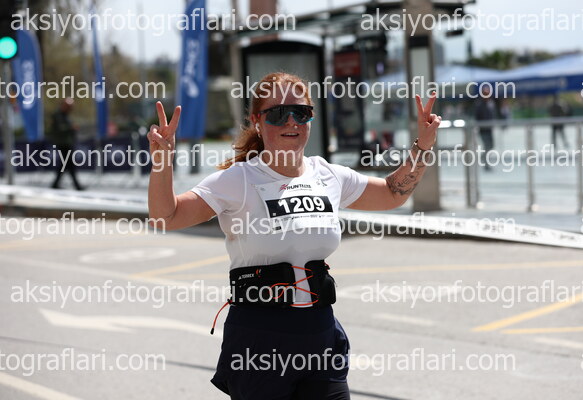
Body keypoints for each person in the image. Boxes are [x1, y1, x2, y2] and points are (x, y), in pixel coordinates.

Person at [147, 72, 441, 400]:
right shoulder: (238, 179)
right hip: (259, 340)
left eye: (301, 112)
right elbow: (166, 217)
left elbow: (392, 193)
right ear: (257, 121)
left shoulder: (327, 175)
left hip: (319, 333)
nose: (291, 121)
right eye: (277, 113)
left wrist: (423, 145)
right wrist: (162, 160)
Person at [49, 98, 84, 190]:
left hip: (67, 143)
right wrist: (71, 127)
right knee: (68, 164)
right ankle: (76, 185)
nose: (70, 109)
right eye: (69, 107)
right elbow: (60, 128)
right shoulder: (58, 115)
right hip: (62, 143)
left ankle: (56, 184)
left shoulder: (65, 116)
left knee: (66, 164)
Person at [474, 88, 496, 171]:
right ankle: (486, 163)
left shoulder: (490, 104)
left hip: (489, 129)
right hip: (483, 130)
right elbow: (478, 118)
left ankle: (483, 158)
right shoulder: (479, 105)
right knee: (487, 146)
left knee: (490, 146)